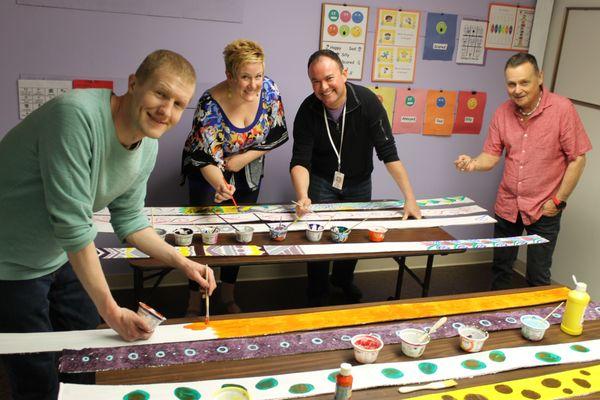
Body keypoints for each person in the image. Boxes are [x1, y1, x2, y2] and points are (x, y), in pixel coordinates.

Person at [0, 49, 217, 400]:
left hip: (59, 253)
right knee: (35, 370)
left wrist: (184, 263)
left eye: (179, 104)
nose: (166, 111)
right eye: (160, 94)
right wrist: (112, 309)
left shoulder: (147, 143)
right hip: (10, 260)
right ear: (133, 84)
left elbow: (130, 220)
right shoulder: (74, 116)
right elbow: (72, 225)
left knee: (86, 347)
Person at [290, 49, 421, 307]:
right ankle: (317, 289)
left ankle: (342, 280)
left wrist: (410, 198)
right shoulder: (307, 110)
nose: (323, 87)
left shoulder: (368, 103)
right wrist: (303, 195)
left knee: (352, 233)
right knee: (317, 235)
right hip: (321, 179)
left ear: (344, 74)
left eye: (329, 78)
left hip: (359, 181)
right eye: (315, 81)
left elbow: (389, 153)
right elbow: (300, 161)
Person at [454, 52, 591, 290]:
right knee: (501, 269)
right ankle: (497, 319)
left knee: (538, 274)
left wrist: (558, 201)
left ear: (539, 78)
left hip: (545, 207)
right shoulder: (502, 113)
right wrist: (473, 163)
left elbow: (578, 158)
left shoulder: (562, 109)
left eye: (524, 82)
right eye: (511, 84)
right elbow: (491, 156)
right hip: (508, 205)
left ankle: (536, 324)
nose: (517, 90)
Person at [181, 39, 288, 314]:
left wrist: (242, 159)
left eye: (258, 76)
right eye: (245, 77)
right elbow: (206, 156)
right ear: (229, 76)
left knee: (240, 231)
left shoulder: (270, 91)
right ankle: (196, 297)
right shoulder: (209, 104)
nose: (254, 84)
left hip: (247, 166)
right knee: (203, 235)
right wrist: (220, 184)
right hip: (206, 167)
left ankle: (228, 293)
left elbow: (276, 134)